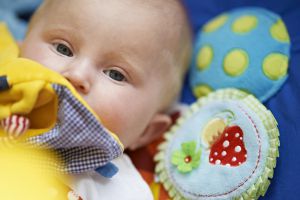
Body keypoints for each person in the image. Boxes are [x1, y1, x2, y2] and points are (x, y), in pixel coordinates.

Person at [20, 0, 192, 199]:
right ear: (19, 48)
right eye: (63, 49)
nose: (77, 75)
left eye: (116, 75)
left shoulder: (120, 191)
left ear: (146, 131)